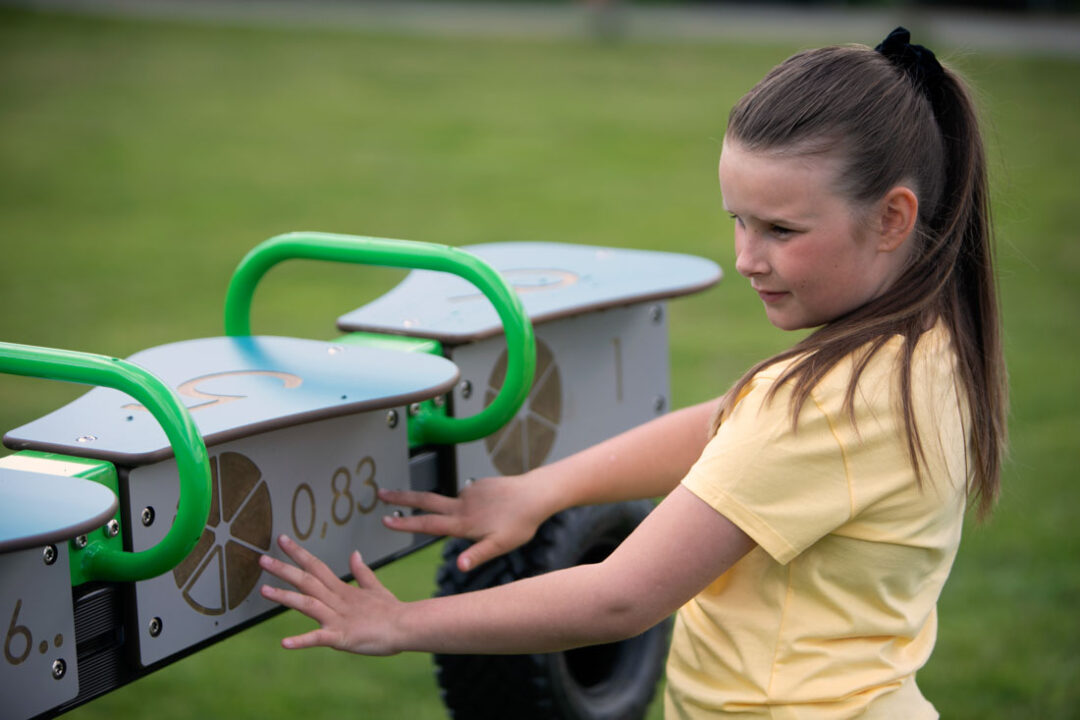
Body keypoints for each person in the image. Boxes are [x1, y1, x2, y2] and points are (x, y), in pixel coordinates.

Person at [258, 27, 1007, 718]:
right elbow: (725, 427)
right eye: (738, 220)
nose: (746, 258)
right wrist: (545, 488)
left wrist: (398, 623)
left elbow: (623, 597)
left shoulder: (822, 404)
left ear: (892, 218)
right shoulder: (927, 348)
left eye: (781, 229)